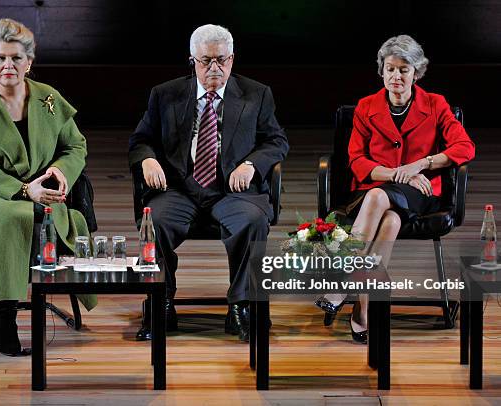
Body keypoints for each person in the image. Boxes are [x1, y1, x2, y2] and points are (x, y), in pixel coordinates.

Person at [129, 24, 289, 342]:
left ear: (232, 59)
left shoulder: (257, 93)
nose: (214, 68)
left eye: (221, 60)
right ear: (192, 60)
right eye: (206, 61)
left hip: (232, 190)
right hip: (179, 188)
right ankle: (162, 302)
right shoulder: (166, 94)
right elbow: (140, 140)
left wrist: (251, 165)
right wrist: (148, 159)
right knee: (155, 221)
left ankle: (241, 307)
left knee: (252, 221)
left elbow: (276, 141)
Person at [0, 18, 95, 356]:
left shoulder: (49, 98)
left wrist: (59, 171)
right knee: (15, 216)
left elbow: (76, 146)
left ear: (30, 61)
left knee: (41, 214)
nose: (8, 66)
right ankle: (4, 321)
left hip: (39, 190)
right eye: (0, 58)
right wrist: (24, 189)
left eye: (16, 58)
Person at [315, 34, 475, 344]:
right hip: (375, 186)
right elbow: (357, 161)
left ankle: (340, 283)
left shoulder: (435, 104)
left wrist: (422, 164)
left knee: (378, 196)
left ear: (418, 72)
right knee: (389, 221)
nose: (396, 76)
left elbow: (465, 147)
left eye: (404, 69)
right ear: (382, 71)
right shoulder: (366, 106)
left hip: (421, 192)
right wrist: (398, 174)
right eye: (390, 69)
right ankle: (363, 313)